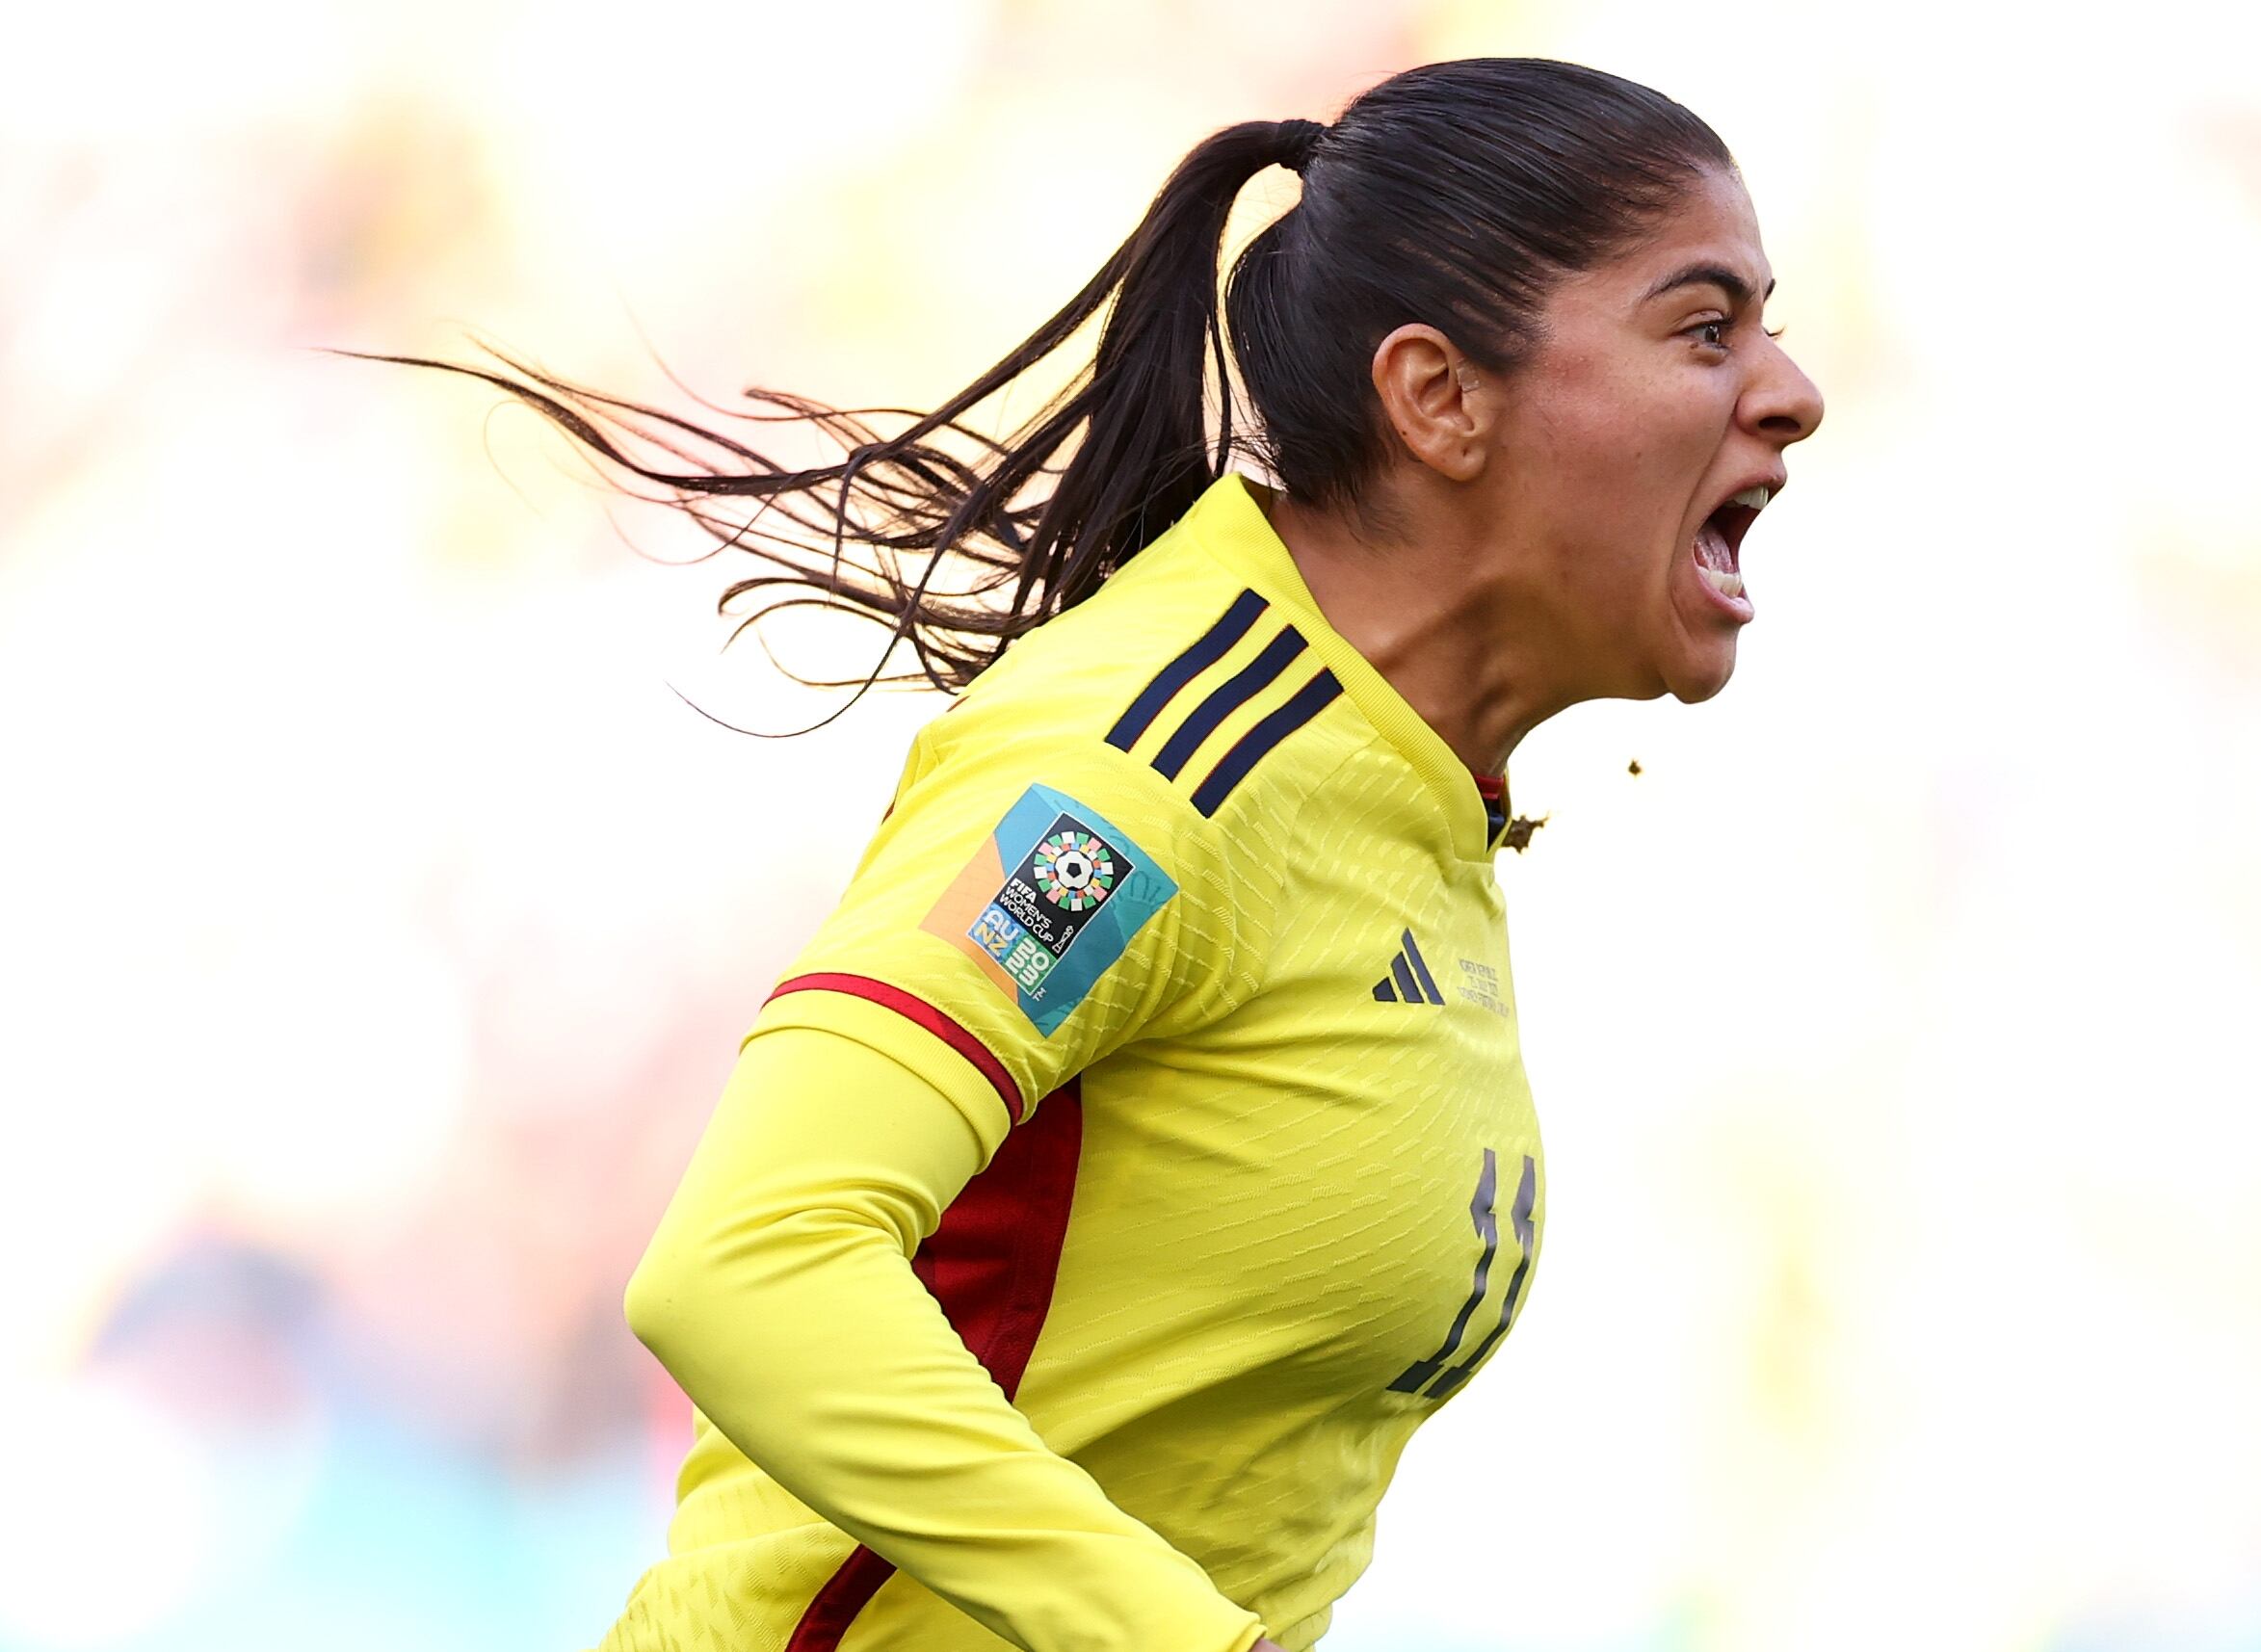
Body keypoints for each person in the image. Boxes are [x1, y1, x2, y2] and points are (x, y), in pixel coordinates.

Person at [388, 54, 1821, 1652]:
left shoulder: (1405, 785)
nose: (1790, 390)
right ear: (1438, 399)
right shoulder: (1142, 775)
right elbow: (746, 1267)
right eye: (1706, 328)